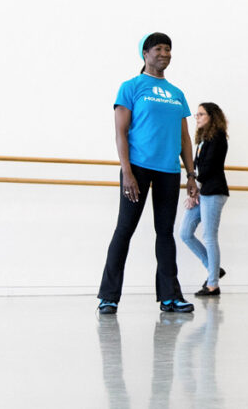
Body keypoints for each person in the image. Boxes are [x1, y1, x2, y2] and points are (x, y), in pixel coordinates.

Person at [98, 32, 196, 314]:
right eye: (158, 49)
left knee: (165, 233)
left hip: (168, 170)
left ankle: (170, 297)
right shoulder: (131, 87)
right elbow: (120, 131)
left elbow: (185, 137)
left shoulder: (177, 94)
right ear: (145, 53)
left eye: (168, 49)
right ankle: (108, 296)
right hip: (137, 169)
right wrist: (126, 171)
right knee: (124, 230)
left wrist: (191, 175)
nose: (164, 53)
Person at [178, 102, 230, 297]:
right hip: (203, 191)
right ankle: (213, 269)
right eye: (196, 115)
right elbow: (200, 169)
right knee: (185, 233)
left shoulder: (218, 138)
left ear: (212, 117)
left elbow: (208, 169)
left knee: (209, 237)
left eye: (201, 114)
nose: (197, 117)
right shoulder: (202, 139)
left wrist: (194, 191)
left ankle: (213, 284)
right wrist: (195, 192)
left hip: (214, 192)